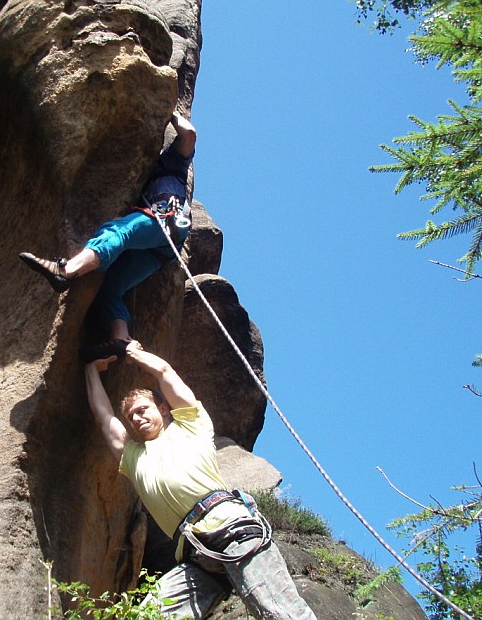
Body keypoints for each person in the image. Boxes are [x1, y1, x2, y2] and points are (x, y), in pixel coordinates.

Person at [84, 342, 318, 620]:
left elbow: (164, 370)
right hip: (195, 552)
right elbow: (104, 417)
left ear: (163, 408)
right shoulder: (134, 457)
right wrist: (90, 370)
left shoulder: (190, 425)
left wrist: (135, 354)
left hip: (232, 528)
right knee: (149, 616)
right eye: (131, 415)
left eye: (142, 409)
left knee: (279, 612)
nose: (137, 417)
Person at [19, 111, 197, 362]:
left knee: (117, 232)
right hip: (162, 249)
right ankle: (121, 341)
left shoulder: (173, 164)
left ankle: (66, 271)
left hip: (164, 220)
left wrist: (171, 112)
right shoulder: (152, 174)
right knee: (111, 288)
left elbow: (189, 134)